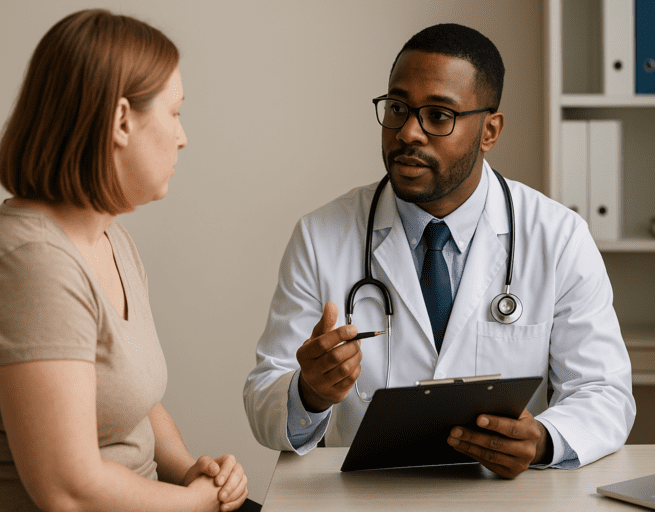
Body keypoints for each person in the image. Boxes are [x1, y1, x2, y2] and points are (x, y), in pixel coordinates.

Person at [244, 23, 635, 479]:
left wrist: (544, 439)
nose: (408, 132)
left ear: (489, 130)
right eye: (397, 108)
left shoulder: (559, 236)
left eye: (438, 115)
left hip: (506, 501)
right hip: (367, 502)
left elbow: (605, 393)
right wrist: (310, 392)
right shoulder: (320, 236)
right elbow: (263, 399)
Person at [0, 9, 252, 511]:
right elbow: (68, 492)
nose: (183, 137)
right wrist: (196, 503)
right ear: (120, 121)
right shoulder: (32, 265)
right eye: (174, 114)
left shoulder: (109, 237)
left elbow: (130, 394)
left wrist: (185, 467)